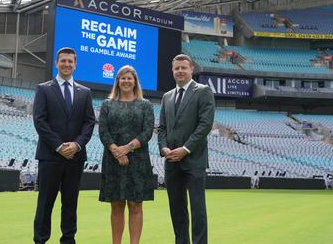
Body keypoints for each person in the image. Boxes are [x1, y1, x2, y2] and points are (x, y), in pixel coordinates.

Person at [33, 47, 96, 244]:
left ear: (75, 65)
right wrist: (60, 146)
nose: (67, 64)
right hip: (50, 156)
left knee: (70, 203)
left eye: (70, 61)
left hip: (75, 158)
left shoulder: (85, 92)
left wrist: (76, 145)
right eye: (63, 61)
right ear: (56, 63)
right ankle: (40, 240)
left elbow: (89, 122)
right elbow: (40, 121)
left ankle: (68, 240)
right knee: (45, 202)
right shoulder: (43, 89)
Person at [157, 54, 215, 244]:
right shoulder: (167, 97)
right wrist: (164, 148)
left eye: (184, 67)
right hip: (171, 161)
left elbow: (205, 125)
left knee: (198, 209)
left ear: (191, 69)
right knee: (177, 208)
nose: (180, 71)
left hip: (194, 160)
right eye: (177, 68)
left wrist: (186, 149)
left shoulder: (203, 91)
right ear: (172, 71)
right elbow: (162, 128)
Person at [98, 65, 155, 244]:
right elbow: (103, 131)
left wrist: (127, 148)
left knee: (135, 204)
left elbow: (147, 132)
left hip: (138, 161)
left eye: (129, 78)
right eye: (123, 78)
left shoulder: (145, 105)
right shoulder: (107, 104)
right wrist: (117, 151)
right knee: (116, 205)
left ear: (135, 82)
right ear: (117, 81)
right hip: (113, 159)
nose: (126, 81)